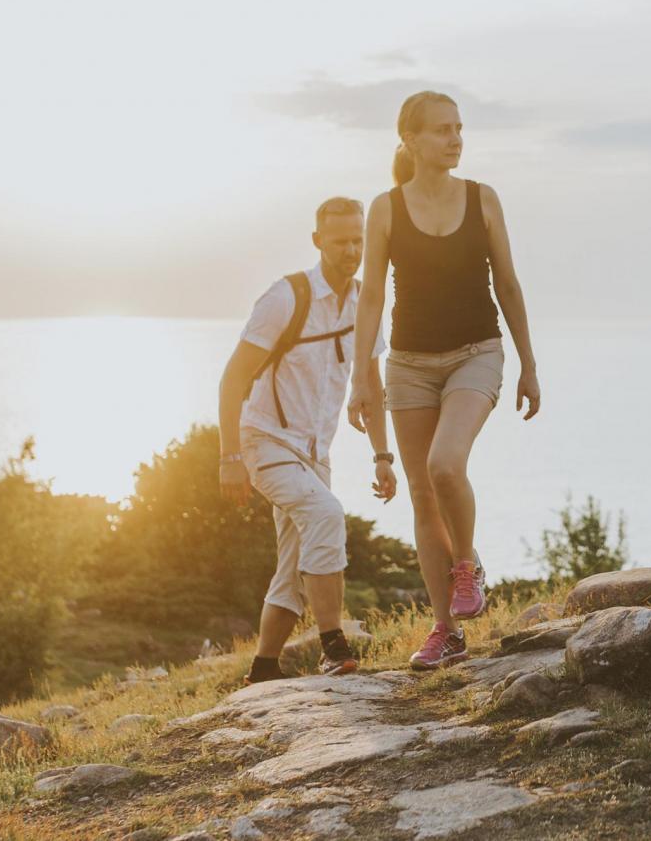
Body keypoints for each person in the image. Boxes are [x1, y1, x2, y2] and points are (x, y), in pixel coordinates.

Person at [348, 90, 542, 670]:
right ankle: (445, 630)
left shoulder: (483, 199)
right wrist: (362, 376)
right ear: (409, 139)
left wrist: (529, 363)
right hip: (408, 364)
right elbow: (372, 299)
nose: (455, 138)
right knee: (422, 494)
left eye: (459, 128)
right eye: (441, 130)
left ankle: (468, 564)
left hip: (475, 353)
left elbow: (507, 283)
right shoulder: (385, 207)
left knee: (444, 464)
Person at [219, 196, 397, 684]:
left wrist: (383, 455)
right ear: (318, 241)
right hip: (265, 441)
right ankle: (333, 645)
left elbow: (372, 385)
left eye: (358, 240)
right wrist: (229, 457)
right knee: (326, 514)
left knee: (294, 565)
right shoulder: (286, 298)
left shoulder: (367, 303)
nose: (351, 250)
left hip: (316, 455)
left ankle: (263, 669)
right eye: (341, 241)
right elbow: (233, 380)